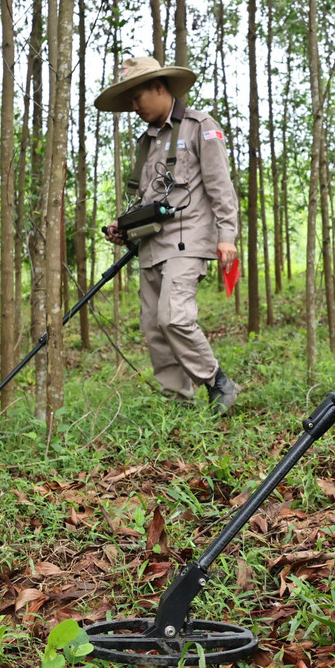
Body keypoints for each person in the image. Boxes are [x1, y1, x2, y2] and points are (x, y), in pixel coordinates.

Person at [97, 56, 243, 415]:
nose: (133, 107)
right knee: (153, 326)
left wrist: (227, 235)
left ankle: (217, 382)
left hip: (187, 239)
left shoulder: (199, 126)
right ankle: (177, 398)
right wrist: (124, 225)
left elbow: (220, 186)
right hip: (151, 245)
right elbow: (149, 198)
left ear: (159, 88)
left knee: (173, 316)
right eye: (128, 101)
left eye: (137, 98)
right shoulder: (146, 141)